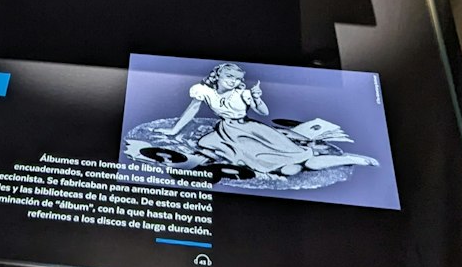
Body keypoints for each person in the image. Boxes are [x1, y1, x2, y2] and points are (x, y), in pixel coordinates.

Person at [129, 62, 379, 180]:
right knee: (217, 147)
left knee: (302, 161)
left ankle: (351, 158)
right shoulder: (204, 91)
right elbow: (191, 110)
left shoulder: (242, 93)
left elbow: (262, 111)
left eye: (237, 80)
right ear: (218, 77)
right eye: (230, 79)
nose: (235, 83)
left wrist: (256, 98)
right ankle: (285, 167)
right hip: (226, 131)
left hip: (249, 128)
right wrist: (174, 131)